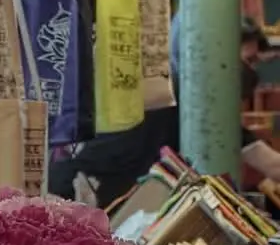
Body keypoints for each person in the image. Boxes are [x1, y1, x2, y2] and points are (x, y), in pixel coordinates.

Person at [48, 18, 280, 208]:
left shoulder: (173, 87)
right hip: (77, 197)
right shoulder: (188, 101)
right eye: (248, 61)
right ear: (218, 54)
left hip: (82, 193)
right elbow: (270, 164)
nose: (252, 73)